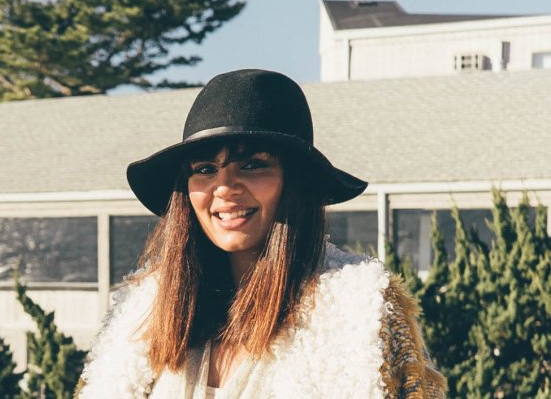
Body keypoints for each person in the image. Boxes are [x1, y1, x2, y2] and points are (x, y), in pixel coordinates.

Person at [76, 69, 446, 398]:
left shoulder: (362, 314)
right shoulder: (142, 314)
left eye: (253, 165)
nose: (225, 187)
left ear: (296, 181)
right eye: (204, 169)